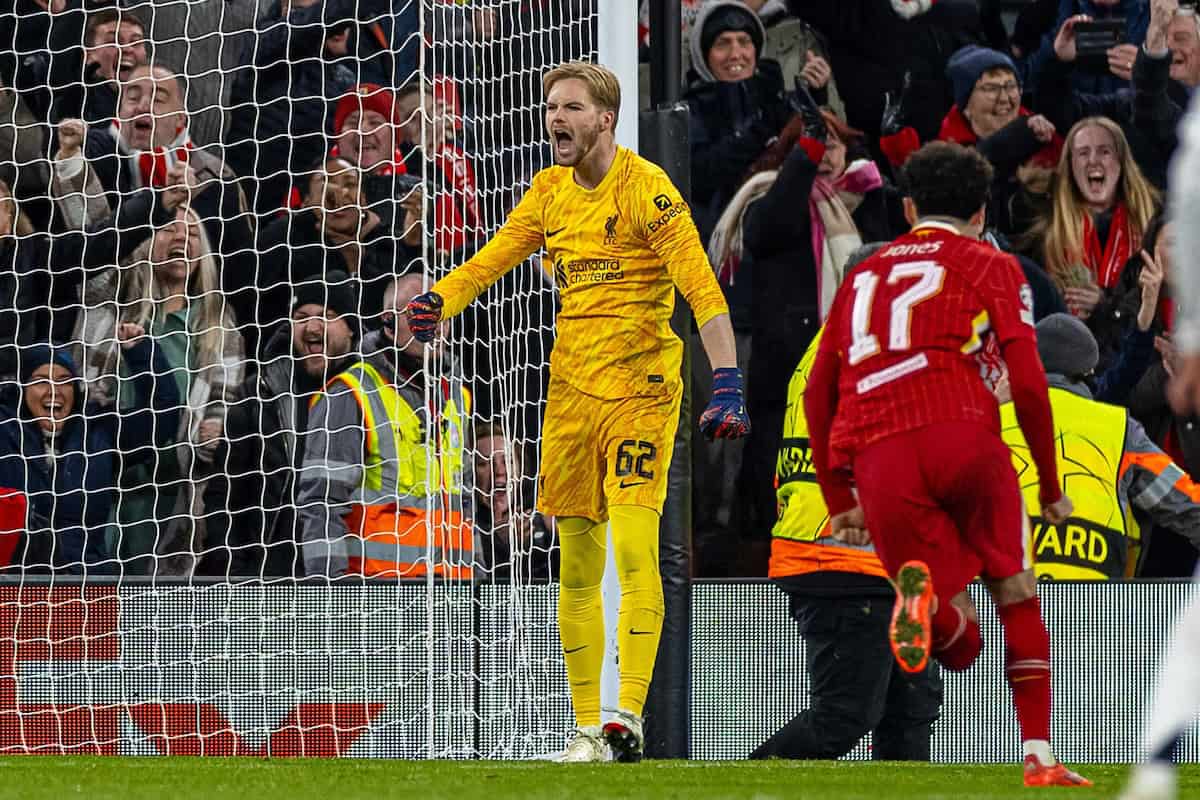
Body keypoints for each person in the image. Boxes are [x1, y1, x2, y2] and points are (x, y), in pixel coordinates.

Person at [403, 61, 747, 763]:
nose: (555, 118)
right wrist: (442, 298)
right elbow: (492, 257)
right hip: (569, 397)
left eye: (570, 107)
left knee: (632, 545)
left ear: (605, 119)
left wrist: (729, 381)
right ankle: (588, 730)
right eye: (551, 106)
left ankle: (629, 713)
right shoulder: (549, 191)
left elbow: (703, 292)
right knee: (576, 565)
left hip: (641, 391)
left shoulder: (647, 191)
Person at [803, 141, 1089, 787]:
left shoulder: (860, 278)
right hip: (963, 435)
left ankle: (929, 606)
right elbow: (1031, 379)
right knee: (1016, 595)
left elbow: (817, 391)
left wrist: (837, 496)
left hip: (881, 460)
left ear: (907, 208)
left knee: (961, 644)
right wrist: (1047, 482)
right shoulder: (989, 263)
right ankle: (1040, 754)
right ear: (982, 210)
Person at [750, 243, 943, 762]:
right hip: (844, 558)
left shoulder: (830, 347)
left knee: (912, 708)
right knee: (845, 715)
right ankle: (742, 785)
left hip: (866, 561)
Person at [74, 205, 244, 577]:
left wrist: (216, 433)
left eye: (193, 233)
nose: (181, 237)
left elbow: (224, 402)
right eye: (168, 228)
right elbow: (88, 226)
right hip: (105, 478)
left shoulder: (219, 326)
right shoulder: (106, 304)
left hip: (175, 492)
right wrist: (71, 157)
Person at [297, 273, 474, 582]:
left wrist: (477, 584)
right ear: (389, 324)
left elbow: (466, 505)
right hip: (376, 592)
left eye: (443, 312)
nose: (435, 323)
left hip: (452, 589)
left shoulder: (459, 397)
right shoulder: (350, 392)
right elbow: (322, 502)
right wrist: (328, 597)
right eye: (420, 313)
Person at [999, 313, 1200, 580]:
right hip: (1097, 609)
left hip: (1000, 610)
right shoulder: (1118, 430)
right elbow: (1188, 504)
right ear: (1090, 372)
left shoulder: (990, 426)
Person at [201, 272, 360, 578]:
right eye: (302, 316)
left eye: (326, 316)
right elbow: (224, 492)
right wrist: (236, 572)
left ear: (350, 329)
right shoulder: (261, 392)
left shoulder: (372, 393)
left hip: (353, 572)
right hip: (270, 574)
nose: (313, 327)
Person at [0, 338, 179, 574]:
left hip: (87, 580)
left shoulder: (100, 430)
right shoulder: (5, 431)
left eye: (64, 382)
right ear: (23, 388)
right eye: (41, 381)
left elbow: (162, 415)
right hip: (17, 582)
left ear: (76, 390)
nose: (54, 390)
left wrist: (141, 352)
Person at [879, 44, 1062, 238]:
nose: (1004, 98)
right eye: (991, 88)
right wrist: (898, 152)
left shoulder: (1044, 137)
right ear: (966, 106)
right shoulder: (945, 156)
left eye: (1011, 86)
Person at [1035, 116, 1159, 368]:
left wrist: (1104, 305)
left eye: (1104, 151)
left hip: (1137, 364)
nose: (1093, 161)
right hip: (1065, 363)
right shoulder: (1045, 224)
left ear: (1122, 162)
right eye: (1083, 153)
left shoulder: (1156, 218)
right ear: (1070, 165)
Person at [472, 421, 557, 582]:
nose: (499, 472)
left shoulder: (543, 520)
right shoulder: (462, 529)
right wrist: (500, 545)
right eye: (483, 463)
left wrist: (558, 538)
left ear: (521, 468)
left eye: (508, 461)